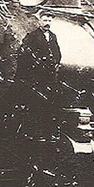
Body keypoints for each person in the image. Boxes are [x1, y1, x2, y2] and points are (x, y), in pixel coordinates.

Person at [17, 10, 62, 139]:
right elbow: (24, 55)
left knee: (49, 105)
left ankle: (48, 133)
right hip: (36, 78)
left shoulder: (52, 36)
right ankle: (33, 133)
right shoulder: (32, 36)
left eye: (49, 21)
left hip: (49, 77)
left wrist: (55, 63)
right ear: (39, 21)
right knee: (35, 105)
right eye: (45, 20)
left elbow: (57, 53)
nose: (47, 23)